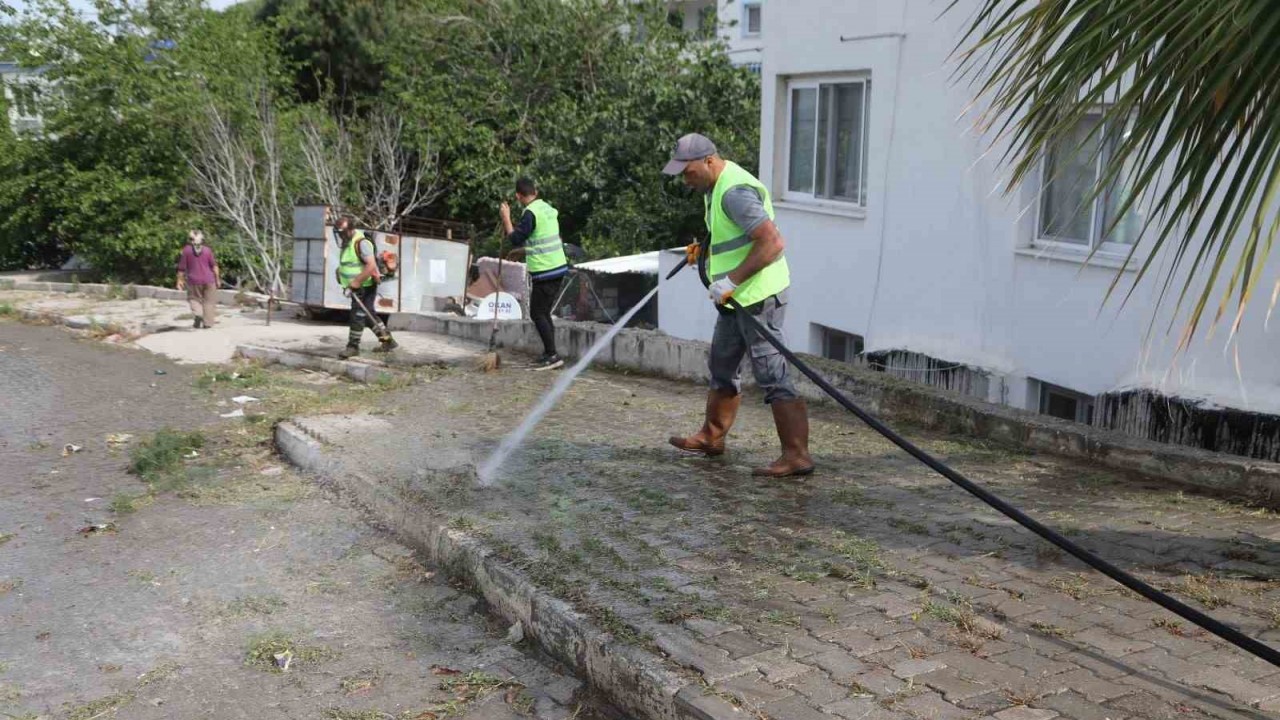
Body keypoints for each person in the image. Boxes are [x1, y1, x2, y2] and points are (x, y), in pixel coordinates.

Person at [661, 133, 815, 478]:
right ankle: (711, 437)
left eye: (688, 172)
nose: (685, 181)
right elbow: (734, 233)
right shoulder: (714, 187)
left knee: (772, 374)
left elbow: (772, 243)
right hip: (736, 300)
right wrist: (704, 251)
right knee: (722, 364)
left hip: (758, 297)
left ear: (709, 161)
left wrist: (730, 281)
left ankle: (797, 455)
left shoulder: (734, 192)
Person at [500, 177, 567, 371]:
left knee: (537, 313)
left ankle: (553, 355)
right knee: (543, 312)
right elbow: (539, 239)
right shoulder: (547, 209)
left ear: (518, 196)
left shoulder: (530, 213)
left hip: (545, 270)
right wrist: (521, 252)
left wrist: (506, 218)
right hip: (557, 267)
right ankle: (549, 353)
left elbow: (515, 238)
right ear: (535, 191)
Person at [333, 215, 397, 358]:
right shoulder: (347, 241)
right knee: (369, 315)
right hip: (356, 286)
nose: (341, 236)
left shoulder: (361, 242)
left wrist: (356, 282)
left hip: (364, 286)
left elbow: (371, 265)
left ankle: (352, 346)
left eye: (343, 233)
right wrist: (340, 272)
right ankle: (388, 341)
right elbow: (351, 262)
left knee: (358, 315)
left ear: (350, 230)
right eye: (339, 234)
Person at [176, 230, 220, 329]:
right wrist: (217, 279)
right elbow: (215, 266)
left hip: (193, 281)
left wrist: (179, 281)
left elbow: (181, 268)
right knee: (209, 302)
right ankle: (208, 324)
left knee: (193, 299)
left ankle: (198, 314)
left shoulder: (186, 250)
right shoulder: (207, 250)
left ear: (190, 240)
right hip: (209, 280)